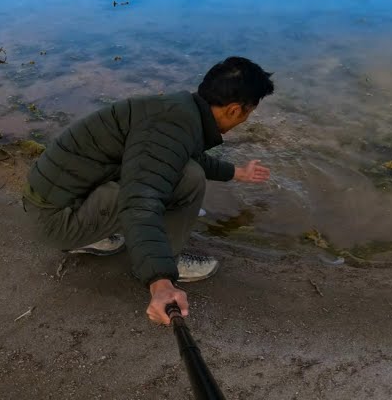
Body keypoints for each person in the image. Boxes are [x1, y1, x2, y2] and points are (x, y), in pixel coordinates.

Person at [23, 56, 275, 325]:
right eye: (248, 114)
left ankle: (95, 236)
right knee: (189, 178)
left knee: (180, 170)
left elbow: (177, 154)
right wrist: (160, 280)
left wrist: (237, 172)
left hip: (54, 203)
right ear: (235, 110)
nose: (245, 120)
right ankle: (171, 260)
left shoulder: (177, 110)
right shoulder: (173, 126)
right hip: (57, 221)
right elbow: (140, 201)